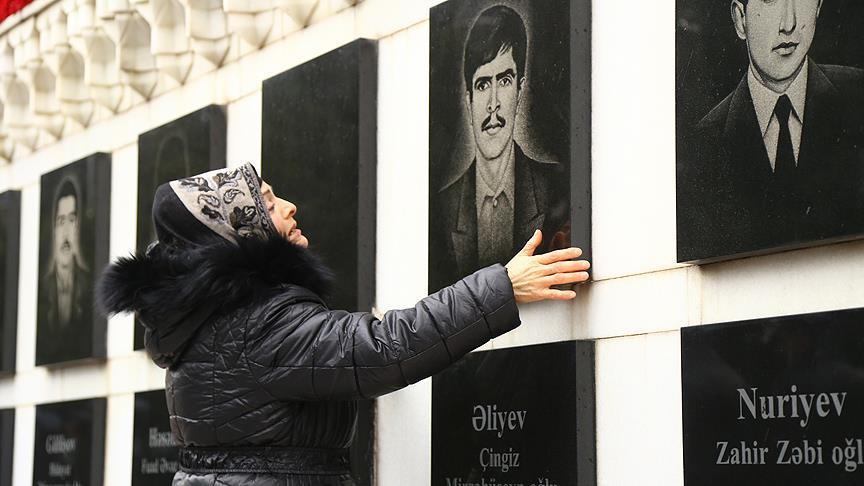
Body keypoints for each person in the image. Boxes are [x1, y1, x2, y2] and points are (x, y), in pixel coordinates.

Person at [97, 163, 589, 486]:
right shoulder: (257, 324)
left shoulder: (209, 319)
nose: (289, 207)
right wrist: (503, 286)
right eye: (267, 202)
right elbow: (384, 349)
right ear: (237, 228)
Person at [678, 0, 864, 261]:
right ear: (740, 19)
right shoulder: (705, 142)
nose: (788, 24)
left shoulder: (857, 98)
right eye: (769, 0)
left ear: (819, 8)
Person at [432, 5, 569, 292]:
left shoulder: (556, 187)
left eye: (504, 81)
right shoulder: (443, 206)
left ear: (519, 90)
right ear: (468, 99)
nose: (493, 104)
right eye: (483, 85)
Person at [37, 177, 92, 364]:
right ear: (53, 229)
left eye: (71, 220)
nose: (66, 232)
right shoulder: (43, 288)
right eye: (61, 221)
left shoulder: (88, 285)